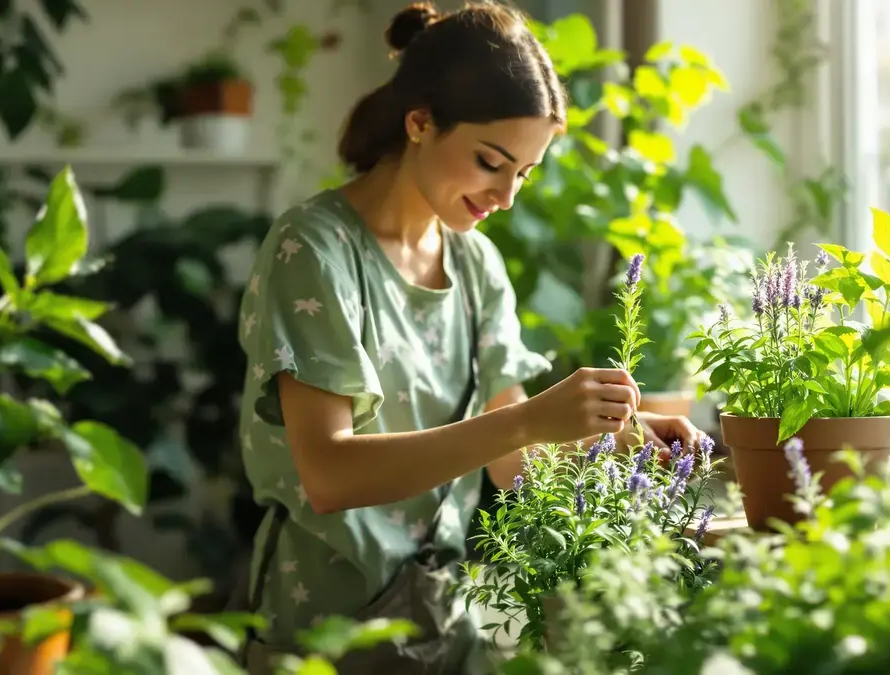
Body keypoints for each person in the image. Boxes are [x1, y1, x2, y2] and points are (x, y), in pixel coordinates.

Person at [234, 2, 702, 672]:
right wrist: (529, 420)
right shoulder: (314, 249)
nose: (507, 195)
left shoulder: (476, 263)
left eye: (524, 172)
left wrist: (619, 441)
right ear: (420, 122)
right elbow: (328, 474)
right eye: (491, 161)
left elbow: (510, 465)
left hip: (443, 631)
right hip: (322, 640)